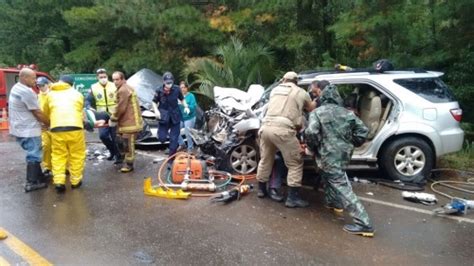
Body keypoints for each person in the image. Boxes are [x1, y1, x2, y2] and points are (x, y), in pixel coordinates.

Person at [305, 84, 374, 237]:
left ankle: (364, 224)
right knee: (328, 176)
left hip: (328, 155)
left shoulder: (317, 113)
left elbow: (311, 132)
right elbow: (363, 131)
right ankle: (334, 204)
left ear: (323, 97)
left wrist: (312, 146)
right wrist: (352, 142)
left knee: (341, 185)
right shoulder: (348, 114)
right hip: (343, 155)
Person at [255, 71, 315, 208]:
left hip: (265, 128)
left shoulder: (274, 90)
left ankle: (261, 190)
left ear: (284, 80)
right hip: (283, 130)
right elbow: (311, 108)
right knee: (295, 162)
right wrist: (317, 100)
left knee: (266, 159)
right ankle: (292, 198)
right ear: (296, 81)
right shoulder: (301, 92)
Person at [8, 68, 49, 192]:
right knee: (34, 154)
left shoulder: (16, 87)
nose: (35, 81)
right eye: (33, 78)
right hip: (28, 130)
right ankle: (31, 183)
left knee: (34, 151)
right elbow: (37, 112)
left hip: (19, 127)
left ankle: (39, 176)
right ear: (24, 78)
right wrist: (49, 123)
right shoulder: (27, 92)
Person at [43, 75, 86, 193]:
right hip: (75, 128)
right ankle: (75, 181)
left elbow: (45, 112)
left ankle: (59, 181)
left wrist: (49, 123)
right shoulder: (78, 94)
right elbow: (80, 110)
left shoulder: (50, 95)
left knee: (58, 155)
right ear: (71, 84)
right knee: (76, 154)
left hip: (57, 128)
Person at [110, 71, 143, 173]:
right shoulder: (127, 88)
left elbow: (121, 107)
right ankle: (126, 161)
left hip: (130, 122)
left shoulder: (123, 90)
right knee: (124, 142)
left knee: (128, 143)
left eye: (117, 79)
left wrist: (113, 118)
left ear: (123, 79)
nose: (115, 82)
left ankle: (129, 165)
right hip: (128, 121)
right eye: (113, 80)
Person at [152, 72, 190, 159]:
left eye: (170, 82)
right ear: (163, 82)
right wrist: (156, 110)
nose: (169, 84)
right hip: (164, 117)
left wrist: (186, 106)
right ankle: (162, 136)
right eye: (167, 83)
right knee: (162, 138)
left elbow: (182, 99)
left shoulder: (176, 89)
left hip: (175, 117)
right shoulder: (159, 90)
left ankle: (171, 159)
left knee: (174, 140)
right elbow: (154, 102)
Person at [86, 68, 120, 163]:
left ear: (107, 76)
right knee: (103, 136)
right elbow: (87, 99)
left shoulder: (114, 85)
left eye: (104, 76)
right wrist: (88, 106)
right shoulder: (93, 87)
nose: (103, 78)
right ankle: (112, 151)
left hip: (114, 114)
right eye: (101, 77)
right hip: (101, 116)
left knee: (114, 137)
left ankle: (118, 155)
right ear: (97, 77)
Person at [37, 77, 53, 178]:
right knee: (46, 147)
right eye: (38, 86)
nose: (41, 87)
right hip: (43, 126)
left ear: (47, 84)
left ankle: (64, 167)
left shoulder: (53, 95)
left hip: (54, 125)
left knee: (58, 148)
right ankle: (47, 167)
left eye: (42, 85)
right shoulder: (38, 96)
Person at [177, 81, 197, 152]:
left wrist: (186, 105)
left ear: (187, 88)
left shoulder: (191, 96)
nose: (182, 89)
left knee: (187, 133)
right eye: (181, 88)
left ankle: (190, 148)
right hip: (181, 118)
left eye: (184, 87)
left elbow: (193, 107)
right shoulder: (178, 96)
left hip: (190, 117)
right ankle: (182, 144)